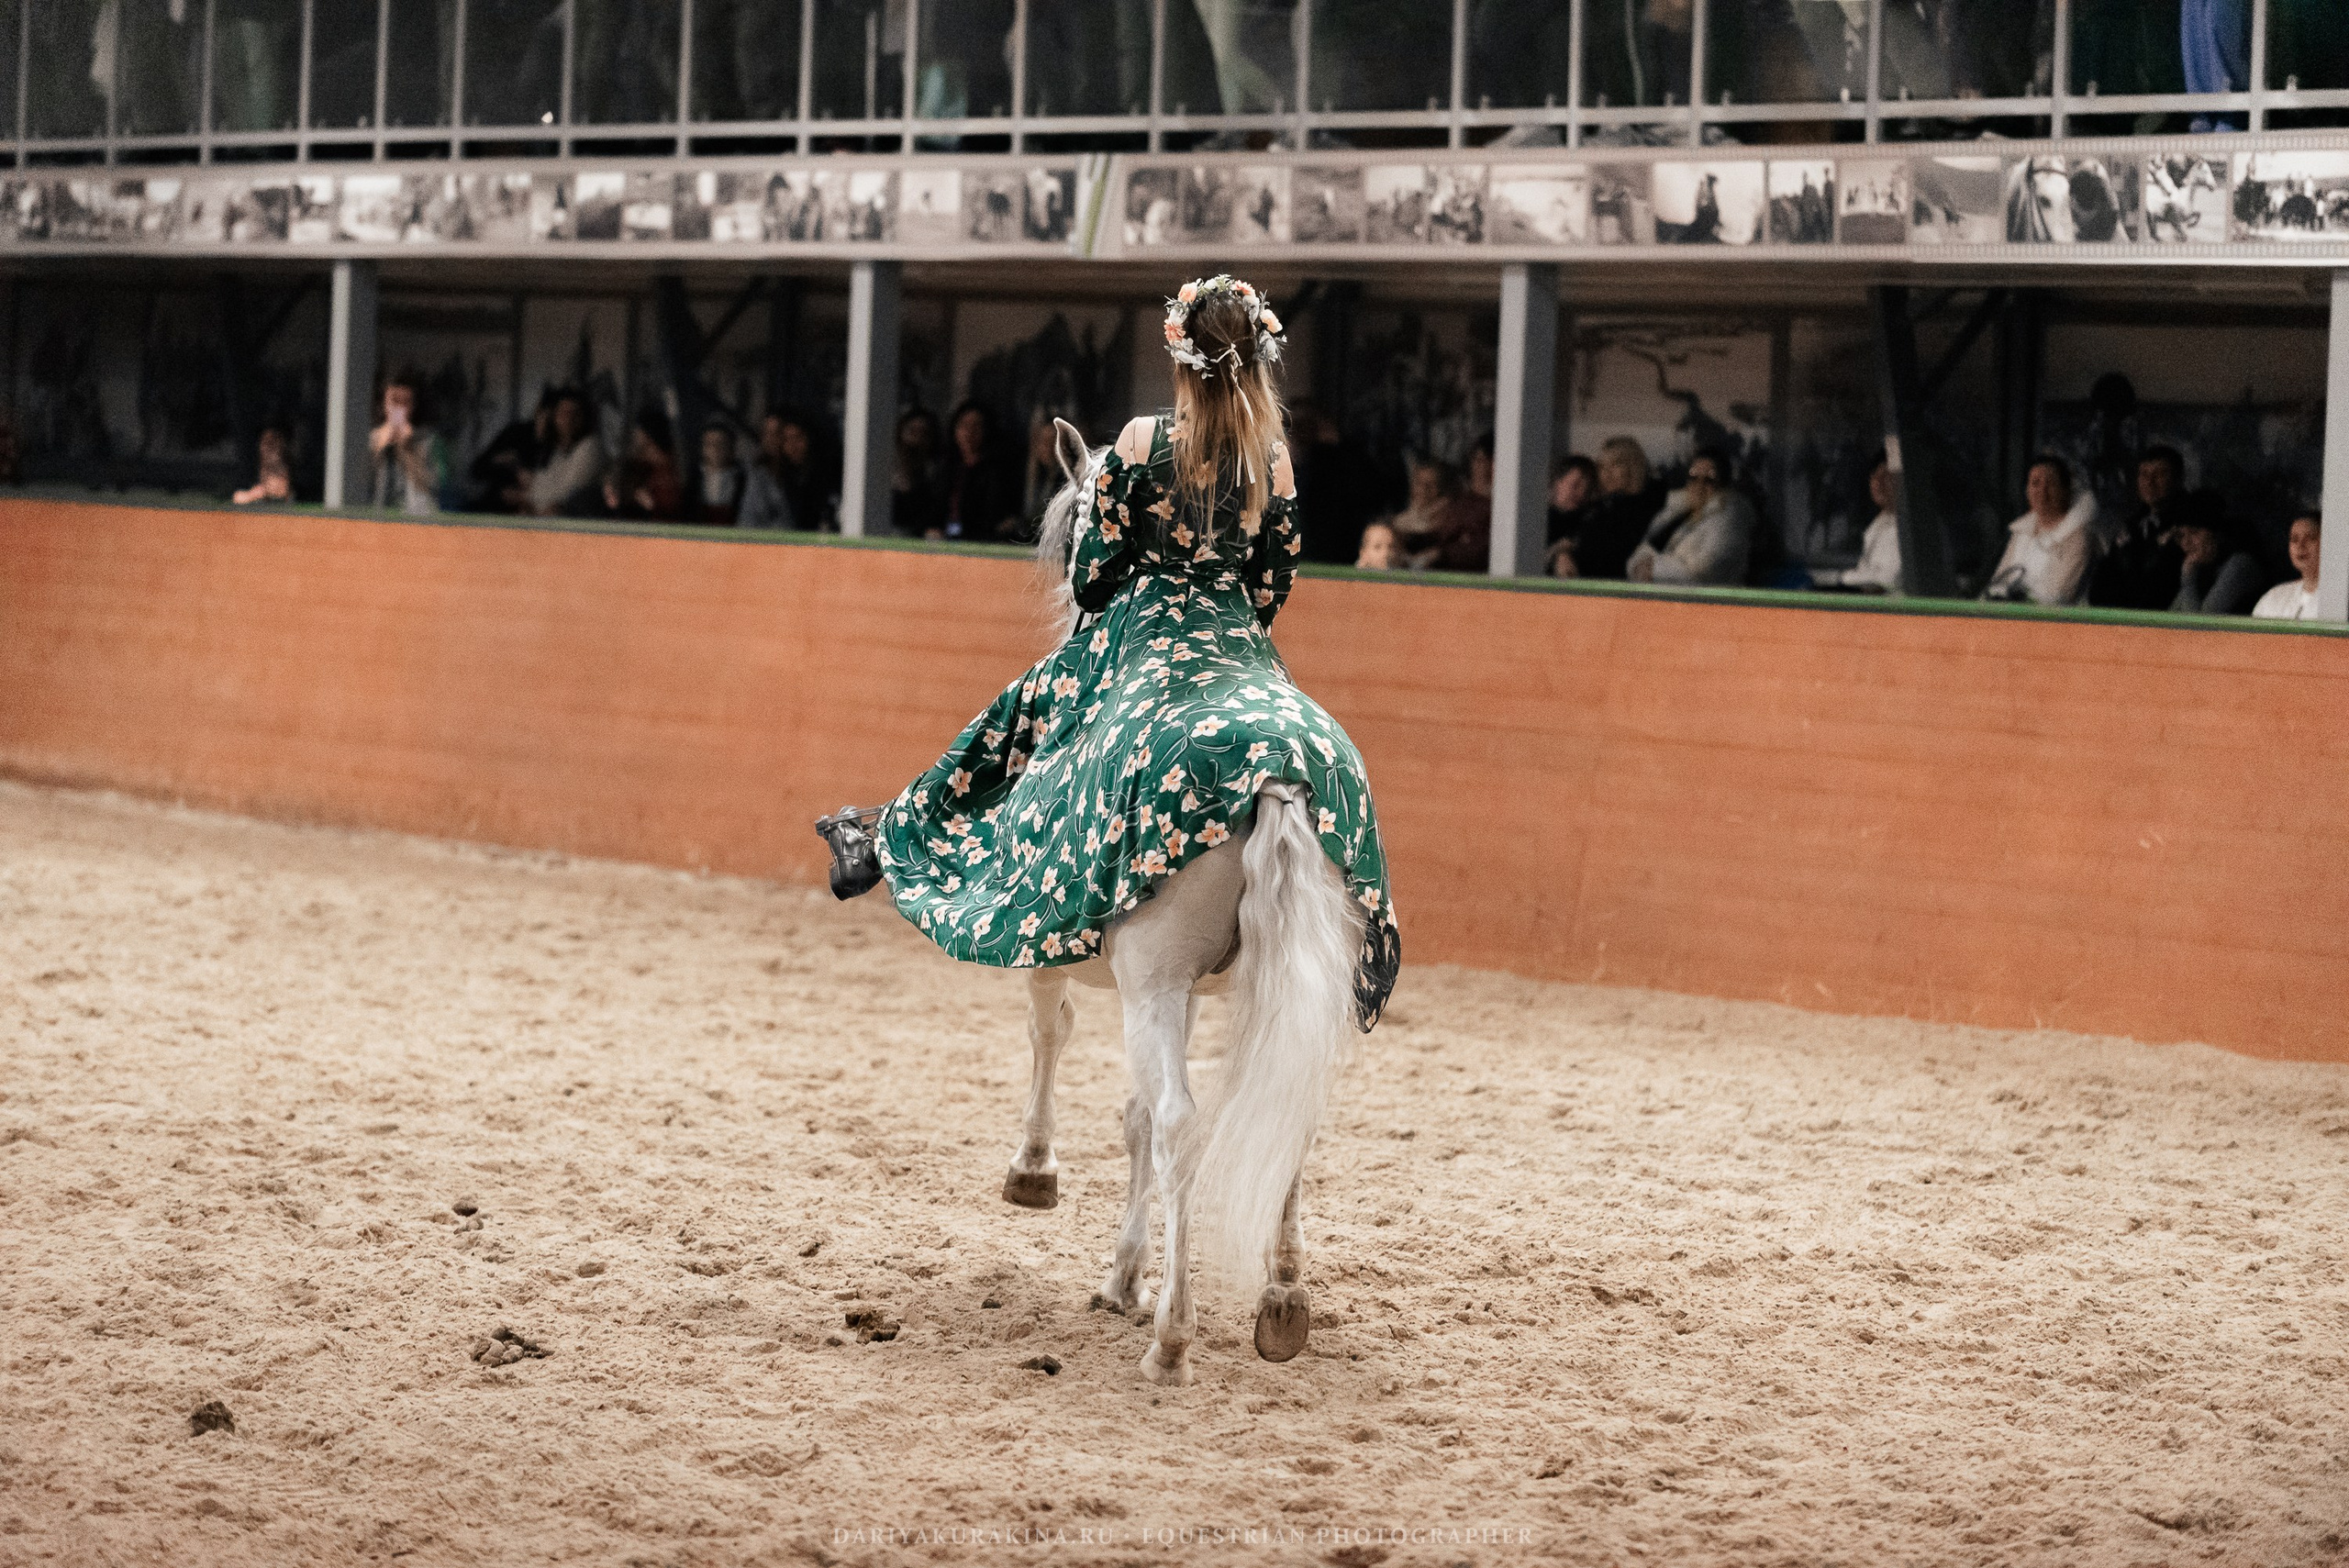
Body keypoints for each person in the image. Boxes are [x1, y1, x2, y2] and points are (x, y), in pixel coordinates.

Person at [860, 266, 1398, 1033]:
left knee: (1022, 711)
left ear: (1182, 357)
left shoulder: (1144, 439)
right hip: (1237, 640)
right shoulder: (1273, 458)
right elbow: (1276, 578)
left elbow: (1092, 569)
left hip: (1143, 631)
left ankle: (897, 829)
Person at [1625, 449, 1754, 586]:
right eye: (1693, 476)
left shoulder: (1730, 519)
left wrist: (1656, 570)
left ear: (1722, 484)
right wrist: (1639, 568)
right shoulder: (1675, 512)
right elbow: (1642, 551)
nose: (1699, 484)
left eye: (1709, 479)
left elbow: (1707, 570)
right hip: (1658, 600)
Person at [1983, 455, 2097, 606]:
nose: (2042, 491)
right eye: (2035, 483)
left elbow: (2060, 596)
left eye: (2050, 484)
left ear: (2065, 490)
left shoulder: (2077, 538)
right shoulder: (2020, 532)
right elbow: (1999, 580)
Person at [2087, 445, 2188, 611]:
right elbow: (2100, 584)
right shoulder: (2132, 525)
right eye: (2144, 474)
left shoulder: (2188, 525)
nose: (2150, 482)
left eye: (2160, 474)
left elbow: (2160, 590)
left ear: (2178, 479)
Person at [1557, 436, 1664, 582]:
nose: (1606, 473)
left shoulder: (1648, 511)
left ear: (1633, 467)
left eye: (1615, 464)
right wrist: (1563, 554)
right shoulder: (1599, 507)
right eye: (1602, 466)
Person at [1814, 450, 1902, 594]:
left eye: (1886, 476)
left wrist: (1841, 579)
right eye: (1874, 475)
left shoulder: (1907, 528)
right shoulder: (1880, 521)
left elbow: (1883, 582)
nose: (1878, 482)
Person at [2167, 491, 2265, 616]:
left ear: (2215, 533)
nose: (2186, 542)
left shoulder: (2240, 564)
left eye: (2194, 532)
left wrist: (2188, 577)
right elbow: (2171, 617)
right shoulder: (2201, 567)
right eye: (2181, 536)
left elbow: (2200, 626)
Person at [470, 386, 558, 513]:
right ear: (538, 411)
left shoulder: (558, 446)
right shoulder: (515, 434)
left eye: (553, 420)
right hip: (495, 508)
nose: (548, 424)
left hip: (537, 511)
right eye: (545, 416)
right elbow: (477, 470)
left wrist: (528, 491)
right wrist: (509, 465)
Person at [941, 401, 1019, 540]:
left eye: (976, 426)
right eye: (964, 425)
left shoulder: (999, 471)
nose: (969, 433)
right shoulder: (945, 468)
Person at [370, 377, 449, 515]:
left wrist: (408, 449)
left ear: (413, 406)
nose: (400, 408)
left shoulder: (428, 440)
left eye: (406, 402)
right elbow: (357, 483)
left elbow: (435, 484)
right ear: (384, 404)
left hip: (416, 516)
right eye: (394, 401)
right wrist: (379, 448)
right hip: (376, 517)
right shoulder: (371, 439)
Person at [739, 411, 829, 531]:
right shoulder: (754, 474)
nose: (770, 440)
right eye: (766, 433)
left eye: (776, 434)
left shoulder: (810, 477)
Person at [524, 389, 606, 517]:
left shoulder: (591, 446)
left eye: (575, 413)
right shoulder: (552, 450)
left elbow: (568, 492)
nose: (569, 418)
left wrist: (538, 507)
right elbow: (536, 491)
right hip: (539, 520)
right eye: (564, 412)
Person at [601, 408, 682, 522]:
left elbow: (669, 513)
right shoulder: (637, 465)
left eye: (638, 430)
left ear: (648, 434)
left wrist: (652, 506)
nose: (635, 434)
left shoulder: (667, 472)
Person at [1429, 439, 1495, 573]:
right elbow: (1444, 535)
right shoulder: (1458, 502)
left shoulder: (1501, 507)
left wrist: (1445, 553)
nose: (1481, 467)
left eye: (1487, 461)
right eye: (1477, 460)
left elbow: (1480, 547)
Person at [1384, 457, 1454, 570]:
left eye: (1431, 484)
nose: (1423, 489)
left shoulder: (1450, 523)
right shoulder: (1399, 521)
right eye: (1419, 483)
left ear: (1442, 489)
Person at [2252, 512, 2321, 621]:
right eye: (2294, 539)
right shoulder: (2274, 597)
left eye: (2310, 538)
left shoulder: (2340, 598)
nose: (2300, 546)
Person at [891, 408, 946, 538]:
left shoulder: (937, 475)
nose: (917, 439)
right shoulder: (887, 471)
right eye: (912, 432)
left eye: (924, 433)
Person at [694, 421, 745, 527]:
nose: (715, 449)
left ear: (731, 448)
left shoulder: (742, 479)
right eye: (710, 443)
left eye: (720, 443)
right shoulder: (695, 479)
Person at [232, 425, 294, 506]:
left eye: (273, 443)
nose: (269, 448)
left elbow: (282, 492)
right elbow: (238, 497)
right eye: (266, 443)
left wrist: (262, 492)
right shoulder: (255, 466)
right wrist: (255, 493)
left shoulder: (286, 467)